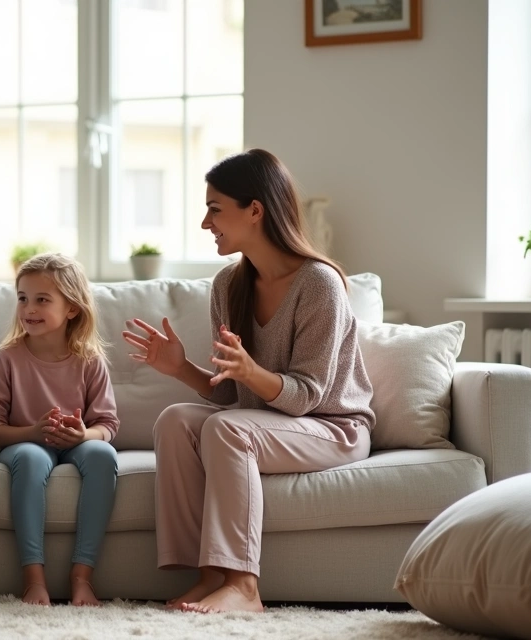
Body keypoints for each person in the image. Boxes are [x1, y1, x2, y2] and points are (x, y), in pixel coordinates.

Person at [122, 149, 375, 614]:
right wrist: (180, 366)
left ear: (255, 210)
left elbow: (306, 397)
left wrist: (251, 372)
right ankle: (210, 575)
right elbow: (232, 393)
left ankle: (244, 585)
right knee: (175, 420)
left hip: (332, 427)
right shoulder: (228, 285)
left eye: (215, 208)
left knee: (227, 427)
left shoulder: (319, 284)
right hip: (268, 422)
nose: (205, 223)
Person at [0, 253, 120, 607]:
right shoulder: (6, 358)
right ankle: (33, 579)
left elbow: (108, 425)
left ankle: (81, 577)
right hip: (26, 442)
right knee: (28, 460)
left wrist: (83, 435)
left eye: (42, 300)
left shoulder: (90, 360)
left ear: (72, 308)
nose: (29, 308)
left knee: (102, 455)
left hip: (77, 442)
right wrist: (31, 431)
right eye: (23, 298)